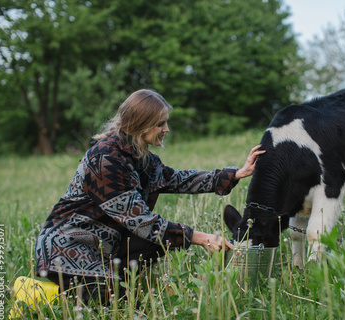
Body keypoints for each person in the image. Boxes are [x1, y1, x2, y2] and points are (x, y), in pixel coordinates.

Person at [34, 89, 265, 305]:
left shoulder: (144, 159)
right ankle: (40, 292)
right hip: (68, 245)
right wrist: (199, 237)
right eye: (160, 124)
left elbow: (180, 180)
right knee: (117, 303)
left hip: (105, 244)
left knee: (152, 249)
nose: (166, 130)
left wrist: (236, 173)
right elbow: (140, 221)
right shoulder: (104, 160)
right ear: (139, 124)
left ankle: (106, 282)